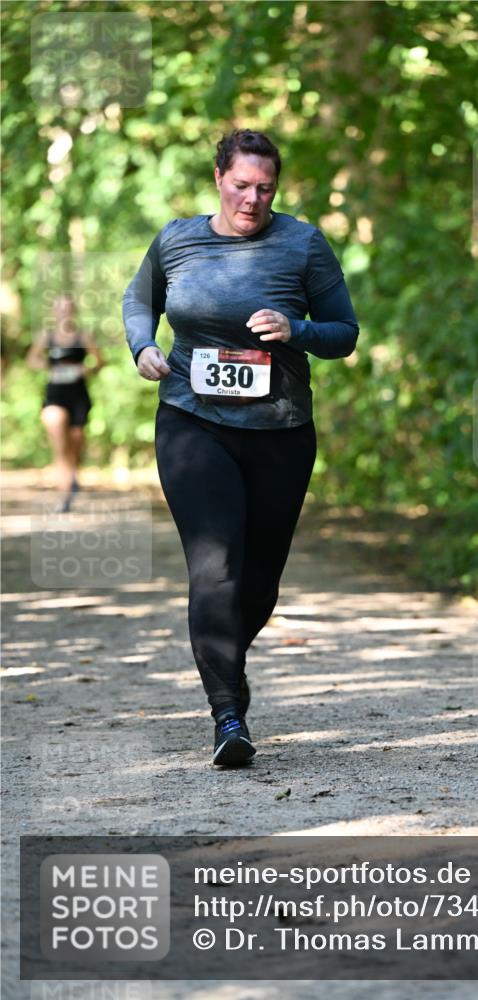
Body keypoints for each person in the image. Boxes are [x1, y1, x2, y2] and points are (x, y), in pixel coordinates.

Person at [122, 128, 359, 767]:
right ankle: (228, 712)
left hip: (281, 432)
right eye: (241, 185)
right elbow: (138, 300)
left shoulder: (304, 244)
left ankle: (227, 656)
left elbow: (345, 332)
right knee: (216, 565)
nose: (252, 199)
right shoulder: (177, 239)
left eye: (265, 188)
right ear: (219, 179)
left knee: (258, 583)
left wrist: (297, 328)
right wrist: (142, 345)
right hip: (192, 423)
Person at [27, 293, 104, 512]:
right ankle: (64, 493)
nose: (64, 312)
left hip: (78, 395)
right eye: (59, 308)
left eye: (68, 308)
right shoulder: (47, 336)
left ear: (73, 311)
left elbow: (99, 362)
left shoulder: (83, 336)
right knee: (60, 441)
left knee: (76, 439)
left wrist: (85, 369)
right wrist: (49, 367)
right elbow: (32, 359)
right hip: (54, 395)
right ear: (54, 311)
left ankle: (72, 475)